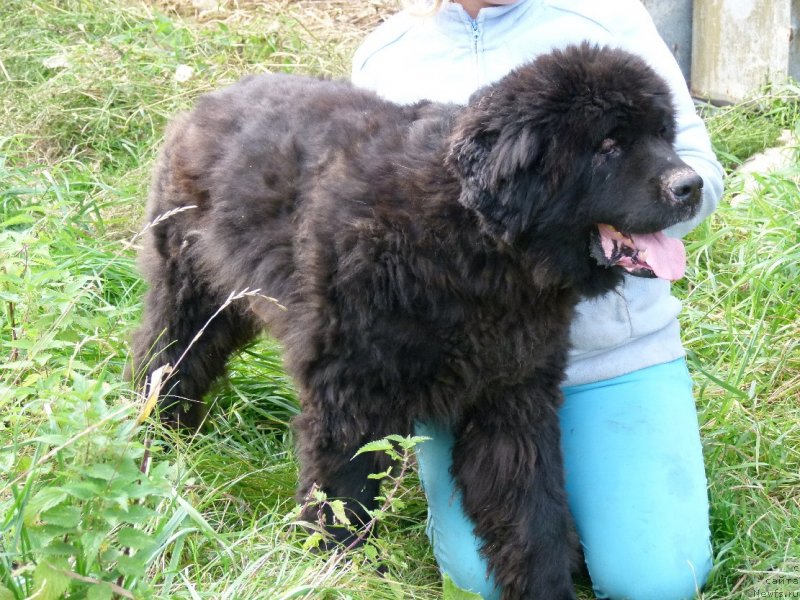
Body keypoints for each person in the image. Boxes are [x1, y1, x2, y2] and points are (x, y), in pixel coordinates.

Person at [351, 1, 724, 599]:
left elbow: (696, 171)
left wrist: (617, 221)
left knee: (657, 579)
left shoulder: (607, 20)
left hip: (614, 359)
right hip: (470, 374)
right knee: (484, 582)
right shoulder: (387, 56)